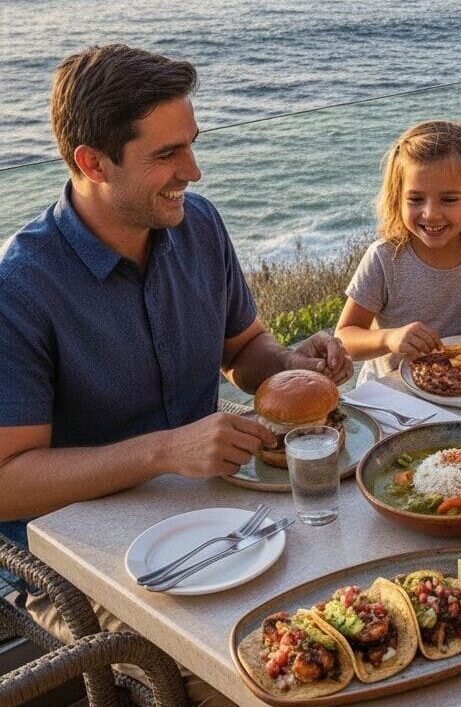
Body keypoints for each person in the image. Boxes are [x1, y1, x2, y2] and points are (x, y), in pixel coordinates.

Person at [0, 44, 351, 706]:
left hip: (220, 520)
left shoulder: (201, 225)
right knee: (255, 681)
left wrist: (292, 366)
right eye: (167, 155)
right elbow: (6, 482)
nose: (193, 169)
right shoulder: (20, 289)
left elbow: (244, 349)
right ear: (91, 162)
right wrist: (167, 450)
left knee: (346, 621)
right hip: (79, 568)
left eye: (191, 144)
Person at [335, 119, 461, 382]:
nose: (430, 214)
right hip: (396, 395)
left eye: (449, 199)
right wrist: (389, 337)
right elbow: (344, 338)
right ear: (397, 197)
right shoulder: (384, 258)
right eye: (416, 199)